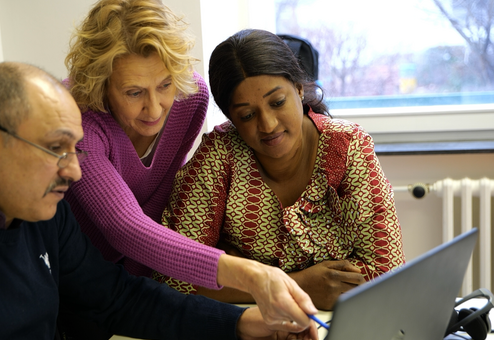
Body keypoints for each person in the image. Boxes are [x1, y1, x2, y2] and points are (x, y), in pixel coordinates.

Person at [0, 61, 319, 340]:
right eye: (56, 148)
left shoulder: (39, 211)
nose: (74, 170)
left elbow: (117, 299)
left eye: (76, 149)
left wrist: (244, 325)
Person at [63, 0, 318, 328]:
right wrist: (251, 274)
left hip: (133, 290)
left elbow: (159, 201)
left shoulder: (190, 98)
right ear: (101, 83)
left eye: (164, 84)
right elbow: (123, 225)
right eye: (133, 92)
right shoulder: (77, 118)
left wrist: (149, 299)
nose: (154, 108)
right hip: (73, 280)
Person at [154, 29, 406, 311]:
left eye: (277, 102)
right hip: (252, 324)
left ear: (299, 89)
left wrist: (237, 273)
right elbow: (175, 276)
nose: (269, 125)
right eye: (247, 115)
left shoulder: (348, 147)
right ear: (231, 118)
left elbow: (387, 273)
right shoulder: (218, 156)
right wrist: (299, 284)